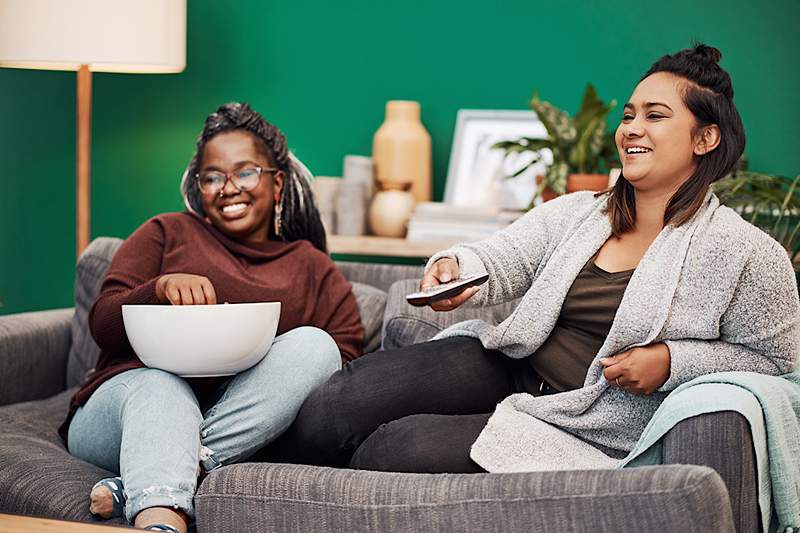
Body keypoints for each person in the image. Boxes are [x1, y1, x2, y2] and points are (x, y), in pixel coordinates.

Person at [263, 44, 799, 475]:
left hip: (589, 421)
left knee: (398, 449)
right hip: (512, 365)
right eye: (630, 114)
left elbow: (778, 368)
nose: (631, 128)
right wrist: (460, 266)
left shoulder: (748, 254)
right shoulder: (579, 213)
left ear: (706, 137)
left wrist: (673, 363)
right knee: (349, 396)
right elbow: (503, 258)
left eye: (656, 116)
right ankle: (248, 486)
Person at [60, 102, 364, 532]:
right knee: (163, 384)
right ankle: (164, 493)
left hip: (241, 424)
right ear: (198, 186)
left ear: (277, 185)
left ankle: (163, 479)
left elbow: (343, 361)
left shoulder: (312, 266)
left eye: (245, 172)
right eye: (212, 177)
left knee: (317, 347)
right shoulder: (167, 232)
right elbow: (103, 323)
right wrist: (158, 289)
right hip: (127, 411)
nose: (228, 188)